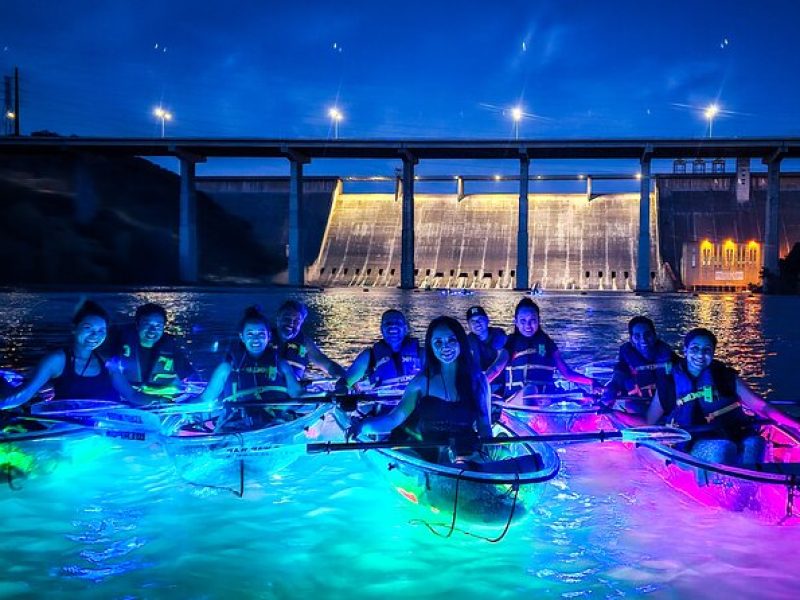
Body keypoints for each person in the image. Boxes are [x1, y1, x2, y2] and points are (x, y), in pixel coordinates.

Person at [346, 316, 492, 463]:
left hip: (466, 451)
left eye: (451, 340)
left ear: (461, 342)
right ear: (431, 347)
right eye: (438, 342)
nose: (445, 347)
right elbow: (394, 419)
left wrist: (488, 459)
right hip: (426, 453)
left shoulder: (478, 380)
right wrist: (362, 427)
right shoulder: (421, 382)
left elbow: (485, 426)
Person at [646, 328, 797, 466]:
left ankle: (749, 486)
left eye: (707, 350)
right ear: (685, 350)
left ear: (713, 353)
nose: (700, 355)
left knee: (755, 442)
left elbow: (761, 406)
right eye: (695, 349)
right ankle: (724, 488)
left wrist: (796, 425)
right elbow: (650, 421)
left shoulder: (725, 377)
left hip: (732, 433)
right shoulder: (669, 383)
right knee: (723, 448)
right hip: (691, 443)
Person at [0, 300, 144, 410]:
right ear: (74, 329)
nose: (95, 335)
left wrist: (161, 401)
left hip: (107, 426)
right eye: (88, 328)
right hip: (70, 428)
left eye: (101, 330)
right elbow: (25, 394)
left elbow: (131, 395)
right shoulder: (57, 360)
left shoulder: (107, 362)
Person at [199, 306, 302, 431]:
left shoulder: (281, 365)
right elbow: (205, 398)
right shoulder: (226, 368)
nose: (256, 339)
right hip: (235, 428)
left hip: (274, 426)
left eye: (261, 334)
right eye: (250, 334)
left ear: (269, 336)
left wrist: (326, 396)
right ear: (242, 337)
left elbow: (297, 393)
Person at [495, 298, 599, 399]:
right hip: (515, 401)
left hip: (544, 399)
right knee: (530, 390)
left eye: (532, 320)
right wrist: (481, 382)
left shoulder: (547, 343)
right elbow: (496, 368)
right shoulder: (511, 342)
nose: (528, 325)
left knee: (583, 396)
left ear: (538, 320)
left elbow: (566, 373)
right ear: (516, 322)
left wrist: (592, 382)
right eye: (523, 321)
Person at [104, 303, 197, 396]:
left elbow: (189, 379)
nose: (152, 330)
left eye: (158, 326)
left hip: (161, 401)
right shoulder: (118, 345)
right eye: (147, 324)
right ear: (137, 324)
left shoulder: (172, 349)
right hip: (125, 401)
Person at [601, 316, 677, 415]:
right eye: (637, 336)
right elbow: (616, 380)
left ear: (655, 336)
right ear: (632, 340)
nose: (643, 340)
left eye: (648, 334)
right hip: (637, 411)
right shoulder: (625, 362)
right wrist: (610, 391)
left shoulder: (670, 358)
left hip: (666, 409)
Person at [338, 309, 423, 391]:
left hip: (416, 404)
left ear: (405, 329)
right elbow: (345, 381)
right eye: (388, 323)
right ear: (382, 329)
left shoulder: (422, 354)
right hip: (381, 403)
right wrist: (341, 390)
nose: (393, 325)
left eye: (398, 323)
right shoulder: (369, 356)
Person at [272, 300, 345, 382]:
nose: (291, 323)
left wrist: (345, 378)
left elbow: (328, 365)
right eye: (287, 318)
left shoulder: (305, 343)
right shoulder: (264, 338)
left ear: (301, 323)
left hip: (294, 391)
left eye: (297, 321)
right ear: (278, 317)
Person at [465, 306, 507, 389]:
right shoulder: (467, 342)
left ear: (487, 320)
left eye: (480, 319)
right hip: (476, 385)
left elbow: (500, 362)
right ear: (469, 325)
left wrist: (482, 384)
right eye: (472, 321)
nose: (477, 323)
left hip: (498, 385)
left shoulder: (499, 336)